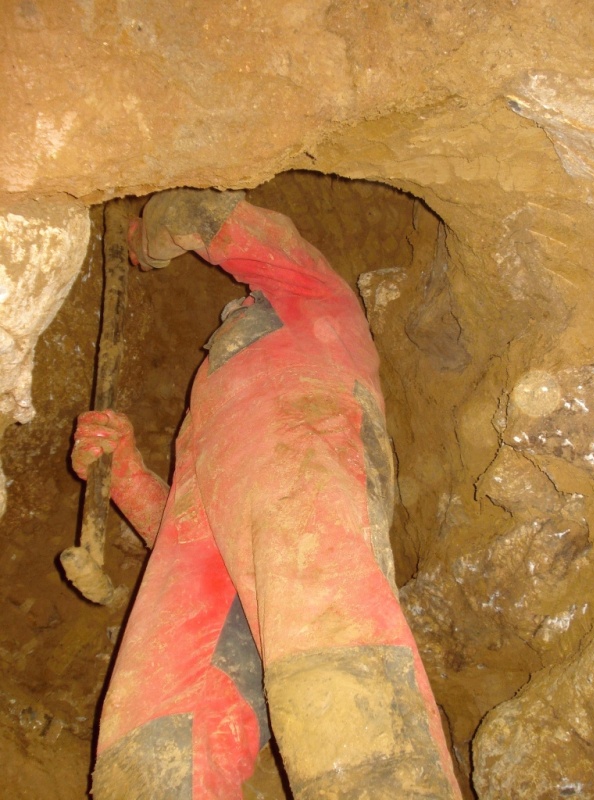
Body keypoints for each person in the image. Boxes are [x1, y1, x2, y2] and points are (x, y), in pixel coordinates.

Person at [72, 189, 461, 799]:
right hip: (225, 538)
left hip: (303, 454)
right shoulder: (204, 411)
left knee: (342, 701)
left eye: (241, 307)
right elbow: (190, 527)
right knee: (149, 754)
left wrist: (147, 240)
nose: (228, 317)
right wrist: (123, 475)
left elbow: (203, 213)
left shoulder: (316, 298)